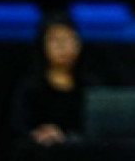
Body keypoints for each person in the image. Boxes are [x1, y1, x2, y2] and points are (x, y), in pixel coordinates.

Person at [10, 12, 89, 146]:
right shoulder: (31, 88)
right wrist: (38, 134)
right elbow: (18, 128)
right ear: (42, 45)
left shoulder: (90, 85)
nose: (62, 46)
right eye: (54, 40)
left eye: (68, 39)